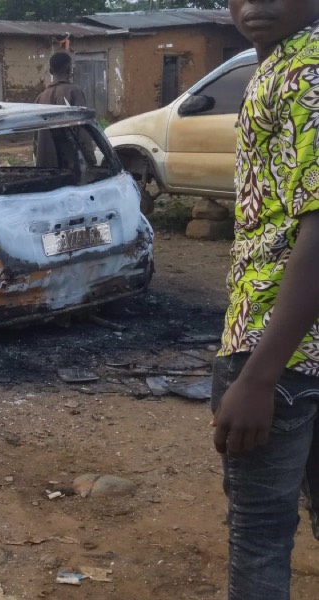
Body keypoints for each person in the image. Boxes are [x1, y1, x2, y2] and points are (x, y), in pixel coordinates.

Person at [211, 1, 319, 599]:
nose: (259, 4)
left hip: (278, 354)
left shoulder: (306, 74)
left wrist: (257, 377)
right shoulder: (280, 64)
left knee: (259, 539)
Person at [33, 52, 91, 169]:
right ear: (69, 69)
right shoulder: (74, 92)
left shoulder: (40, 97)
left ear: (50, 71)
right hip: (70, 166)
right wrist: (90, 159)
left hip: (46, 168)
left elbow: (35, 138)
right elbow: (83, 130)